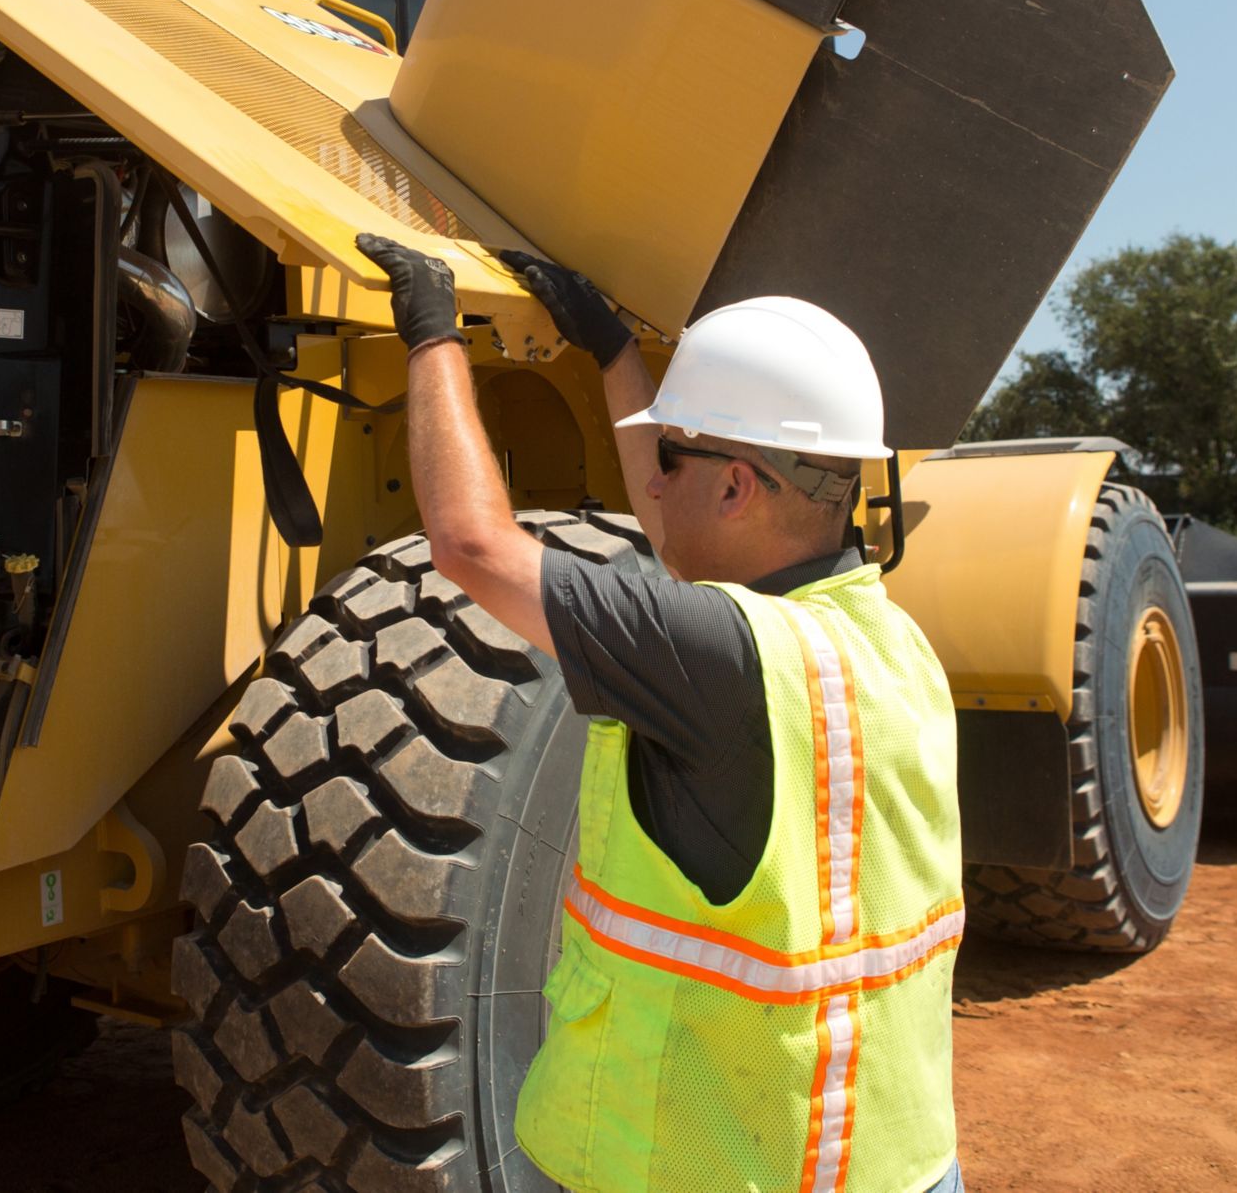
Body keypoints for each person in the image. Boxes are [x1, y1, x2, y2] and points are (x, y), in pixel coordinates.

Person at [356, 233, 966, 1193]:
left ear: (737, 485)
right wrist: (614, 355)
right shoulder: (891, 645)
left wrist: (434, 334)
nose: (648, 479)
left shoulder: (719, 656)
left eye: (673, 455)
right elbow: (674, 512)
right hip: (891, 1163)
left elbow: (472, 544)